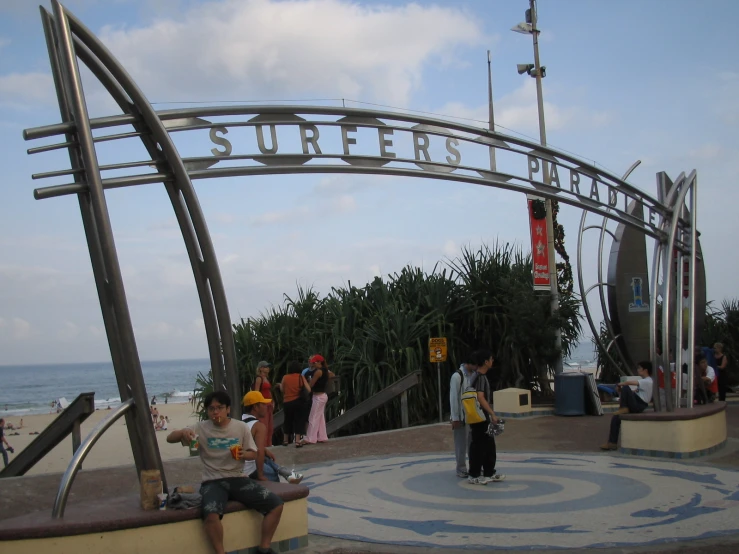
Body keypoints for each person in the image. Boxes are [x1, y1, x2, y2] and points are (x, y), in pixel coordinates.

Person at [167, 391, 283, 554]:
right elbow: (169, 438)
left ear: (228, 409)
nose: (215, 412)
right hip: (212, 481)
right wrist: (183, 433)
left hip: (238, 478)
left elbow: (254, 453)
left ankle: (264, 548)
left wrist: (245, 454)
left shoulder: (240, 427)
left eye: (220, 408)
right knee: (210, 514)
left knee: (276, 504)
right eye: (211, 409)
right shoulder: (201, 427)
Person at [242, 391, 303, 484]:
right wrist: (261, 475)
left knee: (266, 457)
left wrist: (265, 450)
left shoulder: (239, 422)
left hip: (239, 465)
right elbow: (259, 452)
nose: (266, 406)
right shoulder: (258, 426)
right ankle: (280, 478)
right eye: (263, 404)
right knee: (273, 475)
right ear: (255, 407)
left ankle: (284, 471)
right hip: (247, 469)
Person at [467, 349, 505, 485]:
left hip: (479, 415)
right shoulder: (480, 377)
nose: (492, 361)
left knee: (488, 443)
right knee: (479, 445)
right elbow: (480, 397)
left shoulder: (475, 376)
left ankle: (489, 471)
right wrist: (492, 413)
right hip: (480, 416)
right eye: (491, 359)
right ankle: (474, 474)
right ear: (485, 362)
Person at [600, 361, 653, 451]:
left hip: (639, 404)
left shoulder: (647, 381)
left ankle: (623, 408)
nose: (638, 370)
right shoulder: (645, 382)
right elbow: (633, 393)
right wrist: (621, 391)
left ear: (645, 370)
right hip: (637, 402)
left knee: (626, 387)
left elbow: (629, 384)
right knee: (615, 418)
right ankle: (612, 443)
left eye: (640, 368)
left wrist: (621, 384)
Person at [449, 355, 477, 478]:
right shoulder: (457, 376)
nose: (477, 367)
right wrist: (455, 418)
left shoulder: (474, 376)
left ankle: (473, 466)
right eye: (475, 365)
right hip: (461, 416)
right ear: (469, 363)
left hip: (472, 416)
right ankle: (461, 467)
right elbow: (453, 398)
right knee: (461, 443)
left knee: (472, 443)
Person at [298, 354, 334, 446]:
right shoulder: (326, 370)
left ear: (319, 362)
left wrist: (303, 379)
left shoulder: (318, 372)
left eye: (314, 362)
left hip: (318, 397)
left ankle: (310, 438)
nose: (313, 364)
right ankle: (322, 436)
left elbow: (311, 385)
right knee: (320, 417)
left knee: (313, 417)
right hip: (322, 396)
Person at [276, 361, 311, 446]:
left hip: (287, 402)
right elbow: (309, 389)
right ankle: (297, 441)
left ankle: (285, 440)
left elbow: (282, 390)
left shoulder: (285, 377)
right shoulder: (300, 377)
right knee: (298, 421)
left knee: (287, 420)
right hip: (298, 402)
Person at [252, 361, 275, 447]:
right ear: (261, 368)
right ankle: (263, 444)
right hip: (263, 403)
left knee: (270, 425)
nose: (267, 369)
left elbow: (268, 391)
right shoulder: (259, 378)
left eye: (268, 367)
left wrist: (272, 401)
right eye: (265, 367)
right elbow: (256, 391)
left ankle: (269, 443)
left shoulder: (266, 378)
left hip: (269, 403)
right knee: (264, 424)